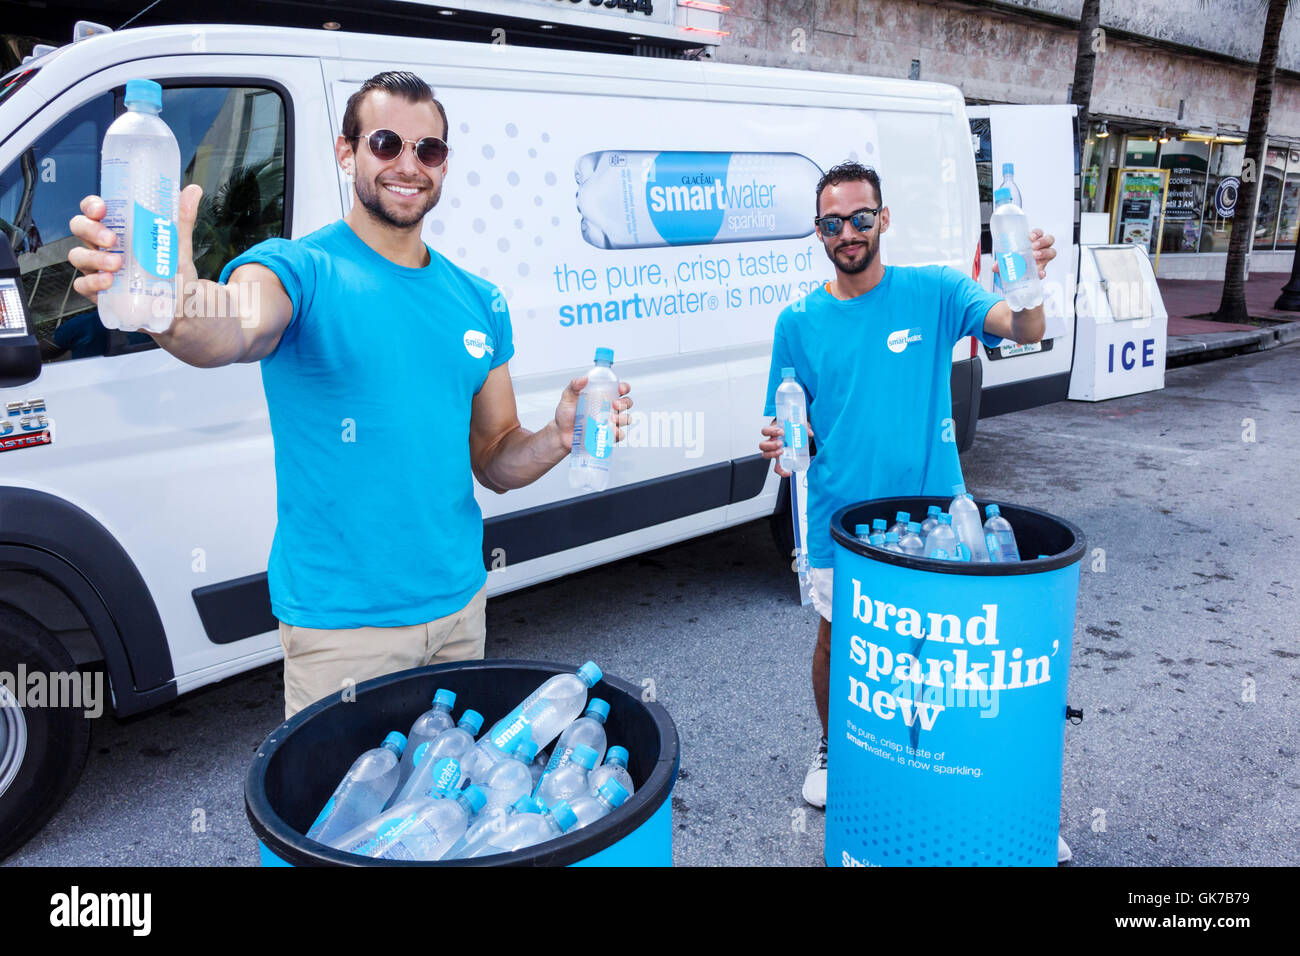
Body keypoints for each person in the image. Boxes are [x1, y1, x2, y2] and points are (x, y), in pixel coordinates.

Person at [67, 71, 632, 718]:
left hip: (460, 612)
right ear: (347, 152)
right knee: (340, 815)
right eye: (386, 143)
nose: (408, 166)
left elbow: (497, 460)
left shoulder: (479, 301)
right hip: (343, 632)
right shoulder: (297, 269)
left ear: (444, 166)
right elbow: (231, 326)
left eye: (430, 150)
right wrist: (171, 302)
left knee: (443, 807)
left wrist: (559, 437)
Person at [757, 161, 1072, 863]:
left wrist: (1030, 283)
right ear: (819, 231)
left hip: (935, 518)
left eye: (860, 218)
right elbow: (790, 424)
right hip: (843, 521)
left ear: (884, 219)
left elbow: (1017, 326)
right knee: (840, 641)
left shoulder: (934, 291)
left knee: (950, 655)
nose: (848, 233)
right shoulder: (798, 322)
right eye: (833, 222)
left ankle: (982, 791)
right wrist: (785, 444)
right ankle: (837, 751)